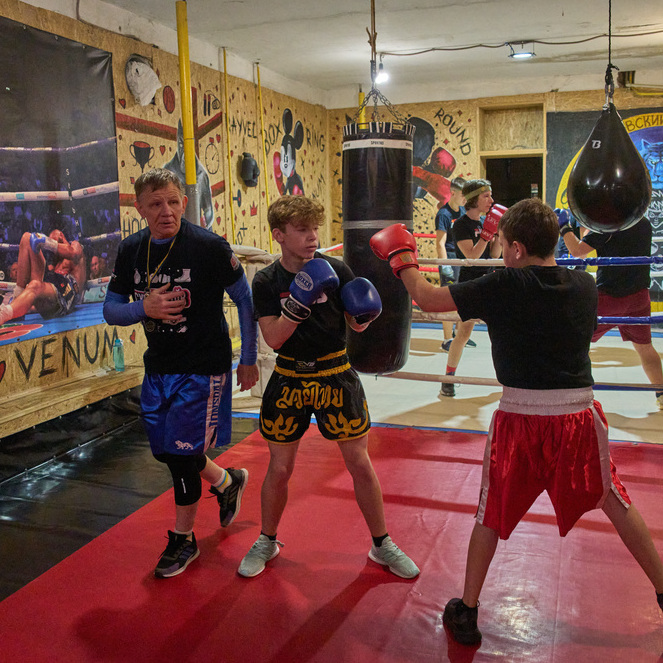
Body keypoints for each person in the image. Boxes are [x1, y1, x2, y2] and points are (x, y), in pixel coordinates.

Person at [370, 199, 663, 646]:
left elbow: (427, 298)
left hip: (520, 418)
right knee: (614, 499)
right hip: (578, 417)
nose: (502, 251)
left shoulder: (505, 284)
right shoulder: (585, 285)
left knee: (490, 511)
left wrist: (401, 256)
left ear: (519, 249)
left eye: (504, 244)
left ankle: (467, 609)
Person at [237, 195, 419, 580]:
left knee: (359, 463)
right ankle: (267, 539)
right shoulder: (267, 280)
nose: (311, 237)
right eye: (302, 230)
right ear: (279, 235)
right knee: (281, 468)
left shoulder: (337, 269)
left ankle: (382, 543)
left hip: (336, 373)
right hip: (289, 377)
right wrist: (298, 304)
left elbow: (356, 325)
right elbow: (273, 338)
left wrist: (364, 316)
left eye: (314, 229)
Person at [102, 168, 259, 578]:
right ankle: (227, 482)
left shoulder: (207, 246)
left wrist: (249, 357)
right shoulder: (131, 250)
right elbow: (110, 311)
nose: (166, 211)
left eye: (173, 201)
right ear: (139, 207)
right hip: (159, 368)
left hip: (202, 367)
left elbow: (244, 299)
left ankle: (183, 540)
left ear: (184, 203)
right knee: (167, 451)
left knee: (181, 458)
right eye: (155, 204)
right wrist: (144, 308)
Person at [560, 213, 663, 410]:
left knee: (576, 341)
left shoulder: (608, 225)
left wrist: (564, 228)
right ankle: (662, 395)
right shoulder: (643, 222)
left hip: (610, 297)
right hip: (639, 297)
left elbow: (578, 251)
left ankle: (570, 392)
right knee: (645, 347)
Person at [440, 179, 501, 397]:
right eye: (487, 196)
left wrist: (499, 234)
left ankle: (508, 378)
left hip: (489, 282)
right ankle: (448, 378)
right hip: (469, 284)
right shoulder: (460, 225)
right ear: (474, 199)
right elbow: (472, 256)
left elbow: (494, 255)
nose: (491, 201)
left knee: (500, 332)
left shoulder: (484, 221)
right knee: (463, 333)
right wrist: (487, 232)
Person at [0, 228, 86, 333]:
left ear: (62, 237)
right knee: (26, 237)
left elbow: (74, 253)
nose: (53, 250)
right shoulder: (56, 262)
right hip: (53, 292)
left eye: (54, 242)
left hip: (67, 294)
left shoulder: (75, 246)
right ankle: (17, 300)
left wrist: (47, 242)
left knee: (34, 285)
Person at [434, 178, 465, 351]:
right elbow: (440, 243)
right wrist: (445, 267)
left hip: (462, 259)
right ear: (453, 193)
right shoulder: (443, 214)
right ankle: (447, 340)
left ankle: (460, 336)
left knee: (463, 299)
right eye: (462, 195)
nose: (465, 199)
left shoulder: (463, 211)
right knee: (448, 300)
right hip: (449, 258)